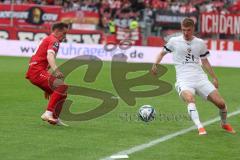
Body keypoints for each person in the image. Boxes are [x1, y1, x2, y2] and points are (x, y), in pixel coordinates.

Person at [151, 18, 235, 135]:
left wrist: (214, 77)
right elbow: (162, 53)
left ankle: (224, 123)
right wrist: (155, 65)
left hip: (200, 78)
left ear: (193, 29)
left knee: (221, 103)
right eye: (183, 30)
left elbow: (205, 61)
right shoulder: (174, 41)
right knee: (190, 99)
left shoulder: (200, 43)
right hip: (184, 80)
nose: (185, 33)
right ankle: (200, 127)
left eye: (188, 30)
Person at [26, 22, 69, 126]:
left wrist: (49, 80)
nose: (65, 36)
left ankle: (54, 118)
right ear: (57, 31)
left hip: (36, 71)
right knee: (61, 86)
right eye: (64, 33)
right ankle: (48, 113)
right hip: (37, 71)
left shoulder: (48, 39)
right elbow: (50, 56)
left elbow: (46, 59)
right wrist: (56, 70)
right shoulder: (54, 41)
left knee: (63, 93)